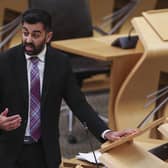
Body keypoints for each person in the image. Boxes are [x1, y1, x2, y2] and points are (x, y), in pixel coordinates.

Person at [0, 9, 137, 168]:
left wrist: (106, 133)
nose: (28, 39)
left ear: (48, 36)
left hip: (44, 151)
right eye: (25, 33)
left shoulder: (60, 63)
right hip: (9, 151)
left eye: (35, 35)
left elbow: (78, 103)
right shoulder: (5, 61)